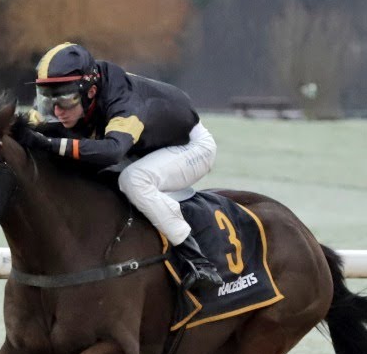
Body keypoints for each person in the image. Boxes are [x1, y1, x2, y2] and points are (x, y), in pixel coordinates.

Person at [27, 42, 223, 292]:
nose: (56, 110)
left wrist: (53, 144)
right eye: (48, 100)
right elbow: (30, 127)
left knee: (134, 180)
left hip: (190, 146)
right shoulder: (75, 94)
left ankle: (198, 261)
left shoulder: (123, 102)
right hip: (144, 145)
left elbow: (112, 151)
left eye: (65, 101)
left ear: (91, 92)